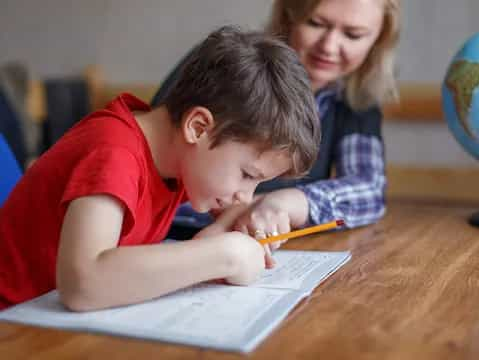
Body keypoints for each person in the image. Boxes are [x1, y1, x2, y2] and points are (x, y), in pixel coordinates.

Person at [0, 26, 320, 311]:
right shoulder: (114, 152)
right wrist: (225, 254)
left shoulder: (180, 158)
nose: (243, 196)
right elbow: (82, 283)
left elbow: (228, 211)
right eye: (248, 175)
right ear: (197, 127)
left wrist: (234, 224)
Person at [152, 0, 400, 256]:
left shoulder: (354, 98)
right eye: (315, 23)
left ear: (377, 40)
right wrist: (235, 216)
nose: (329, 46)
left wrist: (284, 202)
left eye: (353, 34)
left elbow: (368, 188)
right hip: (174, 241)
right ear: (289, 16)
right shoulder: (231, 65)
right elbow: (158, 167)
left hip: (246, 248)